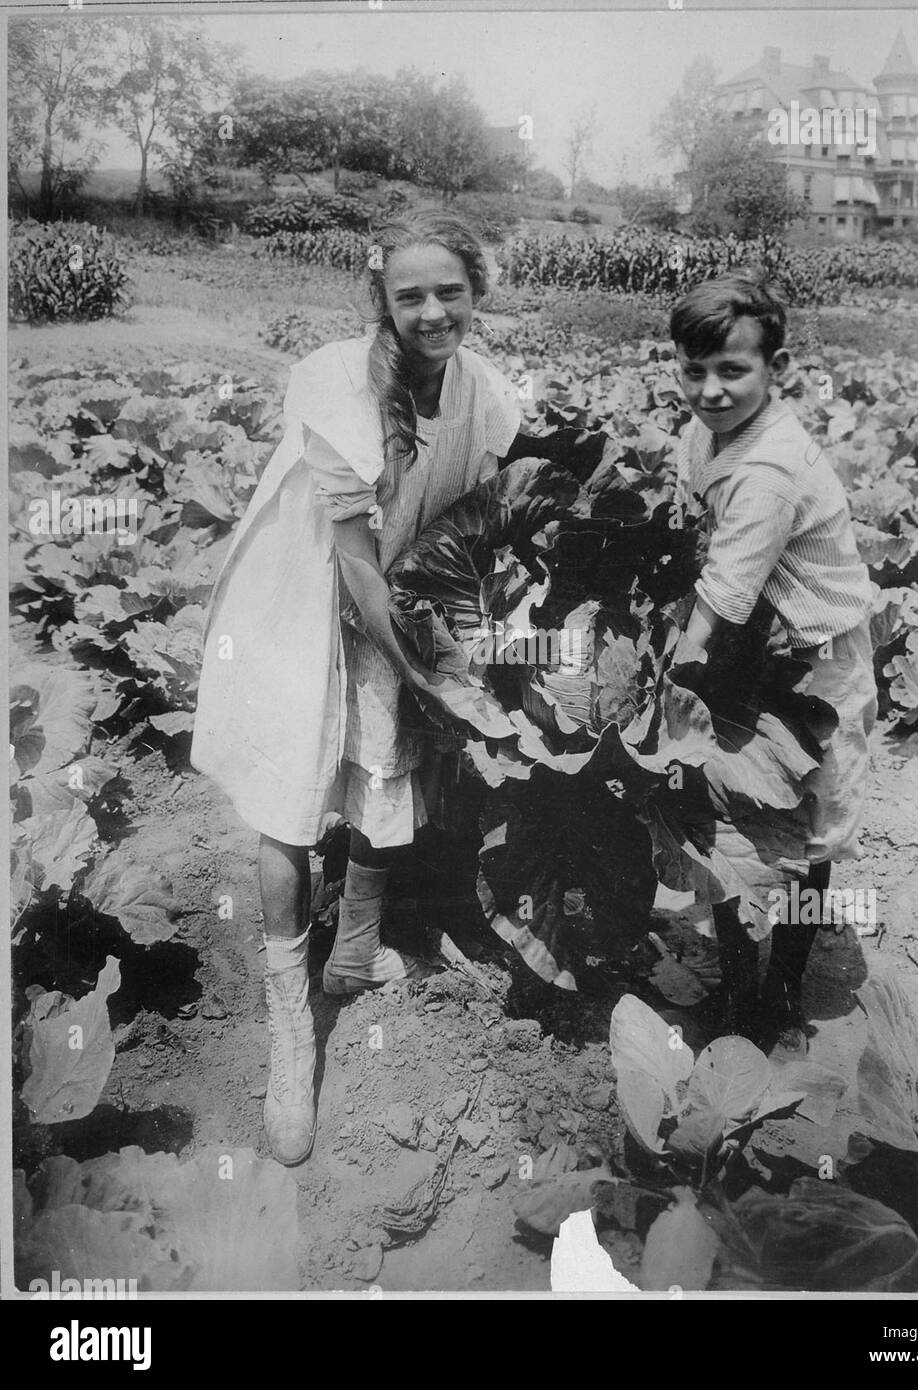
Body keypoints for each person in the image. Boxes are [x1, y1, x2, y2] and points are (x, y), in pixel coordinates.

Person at [191, 213, 520, 1164]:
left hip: (401, 597)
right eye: (409, 294)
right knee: (292, 807)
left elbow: (481, 525)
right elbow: (356, 567)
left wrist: (468, 634)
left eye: (449, 292)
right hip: (308, 595)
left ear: (476, 291)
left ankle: (354, 948)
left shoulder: (485, 395)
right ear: (381, 297)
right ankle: (292, 1024)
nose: (431, 312)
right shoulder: (335, 385)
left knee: (390, 769)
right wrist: (431, 665)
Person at [668, 271, 877, 1052]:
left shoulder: (769, 469)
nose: (712, 390)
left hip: (818, 663)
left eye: (734, 371)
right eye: (696, 371)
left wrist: (668, 692)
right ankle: (734, 978)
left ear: (776, 369)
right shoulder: (707, 433)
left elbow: (720, 597)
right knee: (730, 811)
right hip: (757, 647)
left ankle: (782, 984)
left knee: (811, 826)